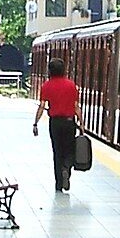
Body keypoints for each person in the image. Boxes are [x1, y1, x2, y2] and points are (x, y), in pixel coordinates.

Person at [32, 58, 83, 193]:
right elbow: (76, 107)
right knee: (69, 150)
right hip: (69, 122)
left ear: (50, 71)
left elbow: (42, 106)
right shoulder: (71, 85)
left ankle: (59, 183)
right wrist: (81, 124)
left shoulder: (46, 86)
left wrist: (35, 123)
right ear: (64, 70)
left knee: (57, 151)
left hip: (55, 123)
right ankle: (66, 167)